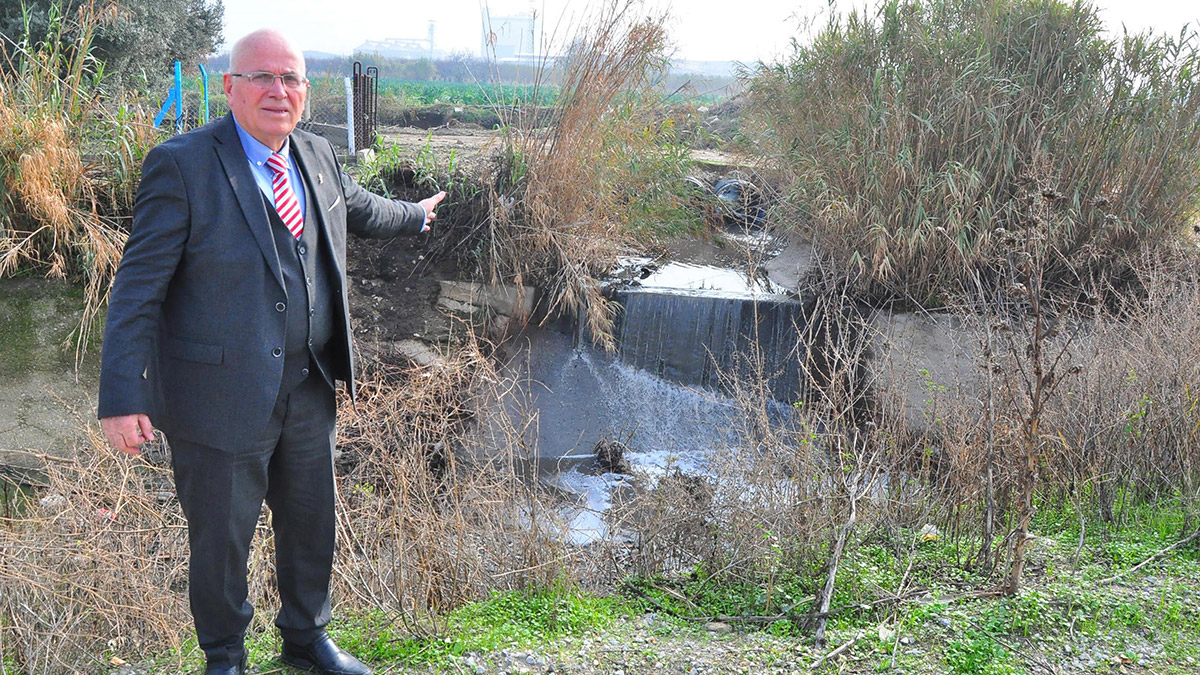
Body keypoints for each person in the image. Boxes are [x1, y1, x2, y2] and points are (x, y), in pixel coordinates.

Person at [97, 29, 444, 675]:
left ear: (305, 91)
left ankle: (307, 637)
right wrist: (123, 396)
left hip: (310, 384)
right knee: (222, 541)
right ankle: (225, 656)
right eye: (261, 77)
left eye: (290, 78)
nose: (277, 91)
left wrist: (415, 215)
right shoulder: (182, 165)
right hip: (217, 396)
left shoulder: (316, 153)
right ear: (230, 87)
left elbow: (360, 209)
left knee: (312, 521)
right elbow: (136, 291)